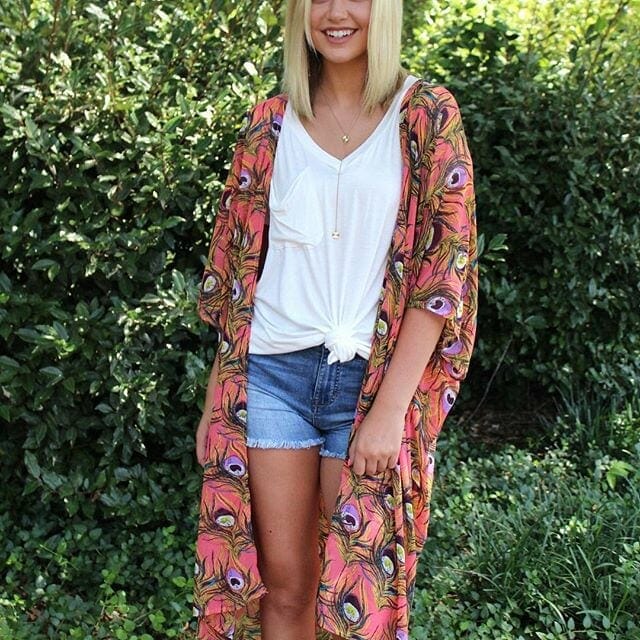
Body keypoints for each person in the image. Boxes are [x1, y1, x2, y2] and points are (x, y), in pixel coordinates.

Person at [193, 1, 477, 639]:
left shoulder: (426, 115)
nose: (336, 13)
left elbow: (442, 274)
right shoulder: (270, 123)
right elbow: (238, 268)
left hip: (370, 384)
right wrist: (218, 399)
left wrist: (390, 412)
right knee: (285, 584)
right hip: (271, 377)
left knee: (357, 598)